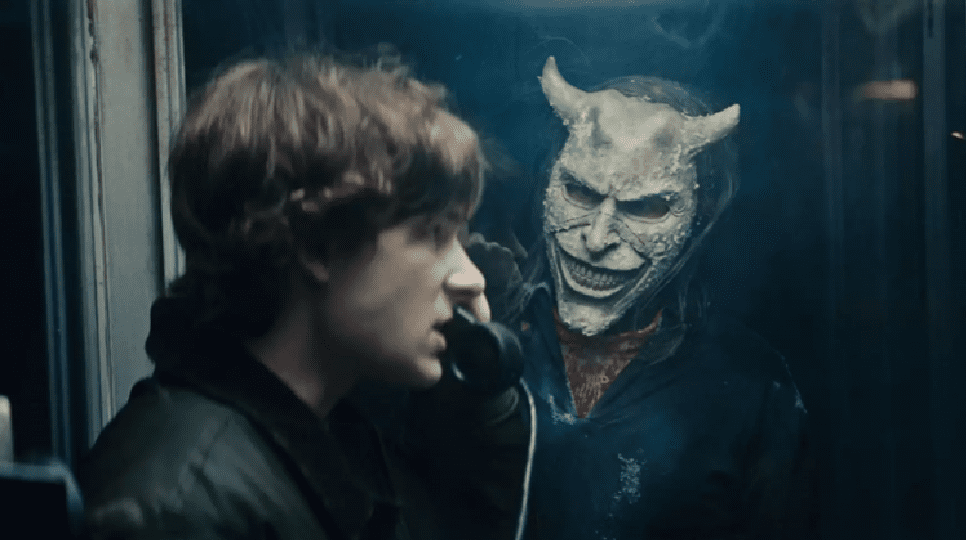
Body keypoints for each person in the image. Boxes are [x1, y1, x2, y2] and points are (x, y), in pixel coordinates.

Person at [77, 53, 532, 540]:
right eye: (434, 233)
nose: (471, 278)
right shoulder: (177, 509)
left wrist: (470, 401)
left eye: (459, 237)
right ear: (318, 245)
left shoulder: (347, 438)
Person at [471, 57, 814, 540]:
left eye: (645, 207)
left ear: (699, 216)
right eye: (580, 193)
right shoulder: (481, 343)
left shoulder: (750, 387)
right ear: (548, 181)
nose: (597, 238)